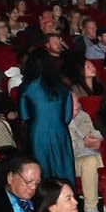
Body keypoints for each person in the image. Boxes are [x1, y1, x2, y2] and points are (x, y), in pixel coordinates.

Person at [18, 52, 77, 186]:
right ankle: (67, 196)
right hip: (61, 133)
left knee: (42, 173)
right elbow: (67, 117)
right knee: (64, 170)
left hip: (38, 134)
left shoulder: (26, 88)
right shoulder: (64, 87)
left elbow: (24, 116)